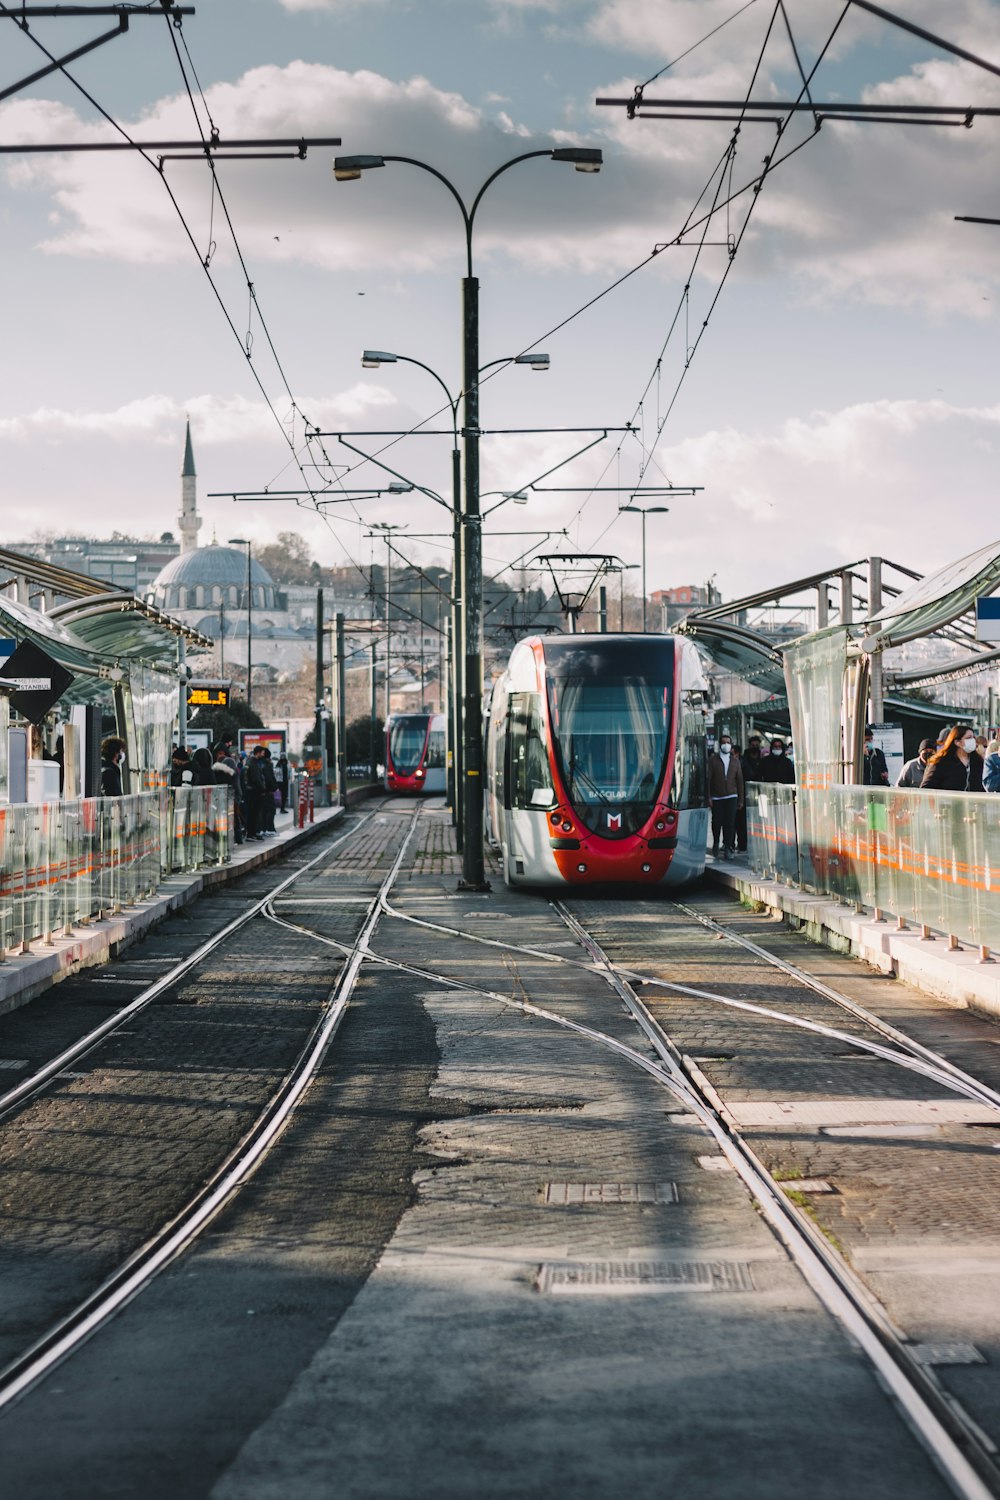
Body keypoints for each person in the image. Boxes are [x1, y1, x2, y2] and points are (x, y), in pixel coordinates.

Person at [707, 732, 744, 860]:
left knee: (730, 823)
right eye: (724, 742)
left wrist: (740, 799)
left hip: (731, 796)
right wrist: (709, 796)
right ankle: (716, 842)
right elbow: (708, 779)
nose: (726, 745)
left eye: (728, 743)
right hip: (717, 797)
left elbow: (739, 781)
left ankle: (728, 846)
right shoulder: (713, 760)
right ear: (720, 744)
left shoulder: (735, 761)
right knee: (717, 822)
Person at [920, 725, 984, 791]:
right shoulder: (941, 762)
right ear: (957, 742)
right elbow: (926, 788)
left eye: (973, 737)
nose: (973, 740)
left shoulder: (977, 761)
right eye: (969, 737)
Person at [243, 746, 267, 839]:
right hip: (254, 792)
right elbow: (256, 778)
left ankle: (253, 833)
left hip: (252, 791)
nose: (263, 755)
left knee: (254, 813)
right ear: (258, 753)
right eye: (262, 753)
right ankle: (251, 833)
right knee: (253, 813)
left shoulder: (252, 762)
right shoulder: (253, 763)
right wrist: (262, 788)